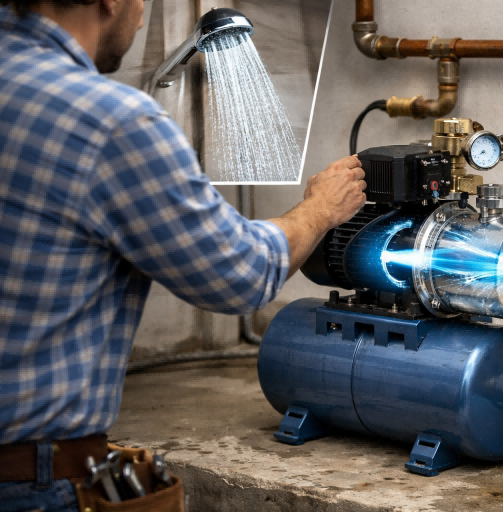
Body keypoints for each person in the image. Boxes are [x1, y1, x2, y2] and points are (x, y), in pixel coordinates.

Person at [0, 0, 366, 509]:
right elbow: (239, 274)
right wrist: (318, 211)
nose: (144, 13)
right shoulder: (111, 121)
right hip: (28, 480)